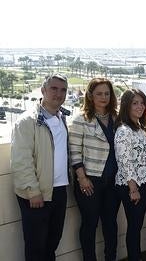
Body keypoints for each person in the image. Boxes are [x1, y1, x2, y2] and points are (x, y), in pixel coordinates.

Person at [11, 74, 71, 261]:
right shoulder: (27, 121)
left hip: (60, 190)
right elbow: (21, 160)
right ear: (43, 90)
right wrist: (32, 190)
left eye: (63, 90)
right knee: (36, 246)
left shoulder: (63, 118)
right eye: (54, 88)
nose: (58, 94)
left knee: (52, 242)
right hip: (37, 192)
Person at [68, 77, 120, 261]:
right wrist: (82, 178)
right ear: (90, 96)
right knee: (89, 224)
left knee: (110, 224)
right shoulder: (80, 119)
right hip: (90, 182)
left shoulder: (116, 118)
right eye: (99, 93)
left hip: (113, 182)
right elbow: (74, 152)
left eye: (107, 93)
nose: (103, 97)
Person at [114, 88, 146, 261]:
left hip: (143, 182)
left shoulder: (139, 127)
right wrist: (133, 188)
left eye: (142, 103)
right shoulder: (123, 130)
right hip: (131, 186)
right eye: (135, 103)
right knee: (134, 226)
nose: (140, 106)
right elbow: (124, 161)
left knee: (137, 226)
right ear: (126, 106)